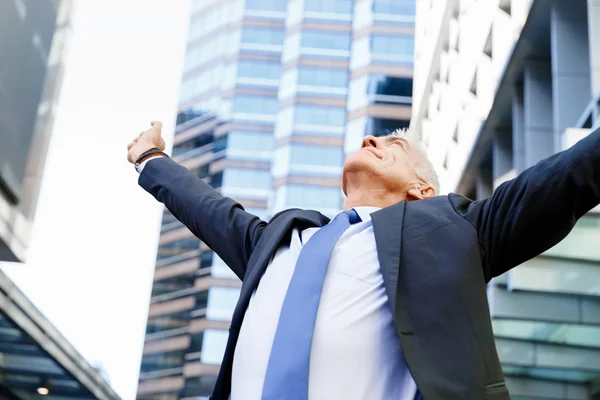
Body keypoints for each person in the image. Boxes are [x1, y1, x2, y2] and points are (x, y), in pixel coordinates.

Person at [127, 121, 600, 400]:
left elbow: (563, 178)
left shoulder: (455, 230)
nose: (372, 138)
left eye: (395, 147)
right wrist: (150, 158)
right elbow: (209, 209)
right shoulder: (280, 240)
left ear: (422, 190)